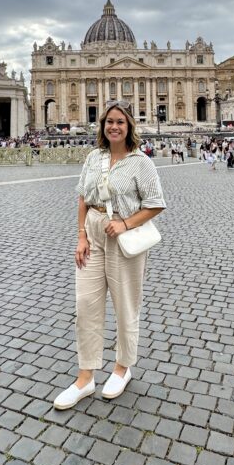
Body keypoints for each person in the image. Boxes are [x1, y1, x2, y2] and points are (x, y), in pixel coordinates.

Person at [54, 100, 166, 410]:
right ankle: (85, 377)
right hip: (93, 231)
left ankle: (122, 367)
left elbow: (156, 203)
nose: (114, 126)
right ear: (103, 126)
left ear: (129, 127)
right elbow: (82, 196)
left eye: (120, 122)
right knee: (85, 304)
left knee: (125, 305)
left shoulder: (141, 162)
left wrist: (126, 223)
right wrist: (81, 235)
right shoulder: (94, 157)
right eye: (109, 122)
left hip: (124, 235)